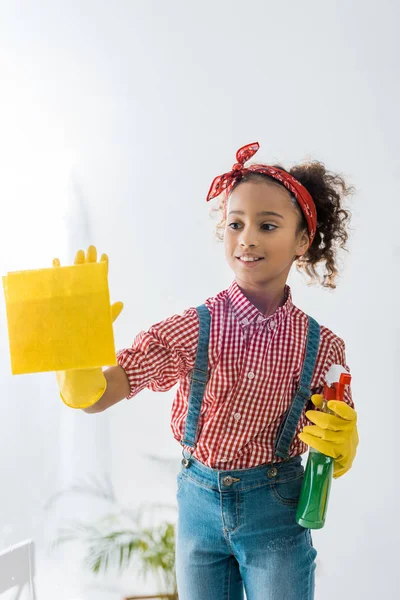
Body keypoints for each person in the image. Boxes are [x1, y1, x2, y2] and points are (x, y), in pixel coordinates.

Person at [54, 142, 359, 600]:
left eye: (267, 225)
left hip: (276, 510)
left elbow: (335, 431)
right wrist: (76, 362)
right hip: (197, 505)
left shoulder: (322, 348)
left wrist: (343, 444)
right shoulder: (193, 328)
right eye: (235, 224)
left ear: (302, 240)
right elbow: (106, 391)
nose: (247, 238)